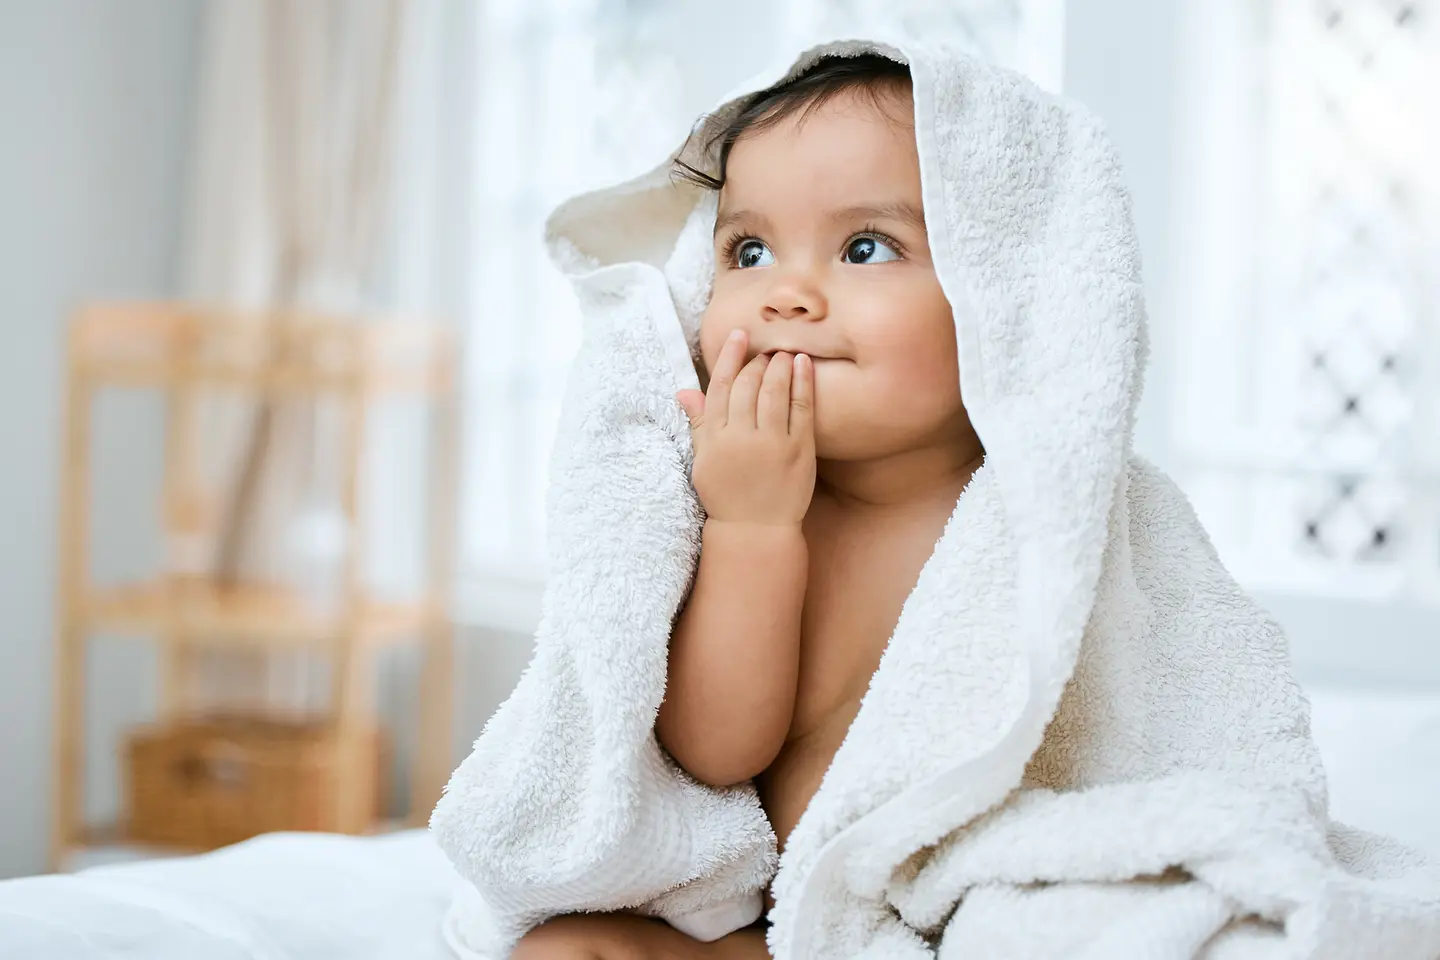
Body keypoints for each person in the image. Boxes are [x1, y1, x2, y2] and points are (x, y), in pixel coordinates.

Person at [513, 52, 979, 960]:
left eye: (866, 248)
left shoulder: (1035, 518)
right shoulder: (752, 499)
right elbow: (717, 752)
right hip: (775, 932)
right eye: (748, 251)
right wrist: (751, 525)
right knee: (567, 950)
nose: (785, 293)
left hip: (956, 923)